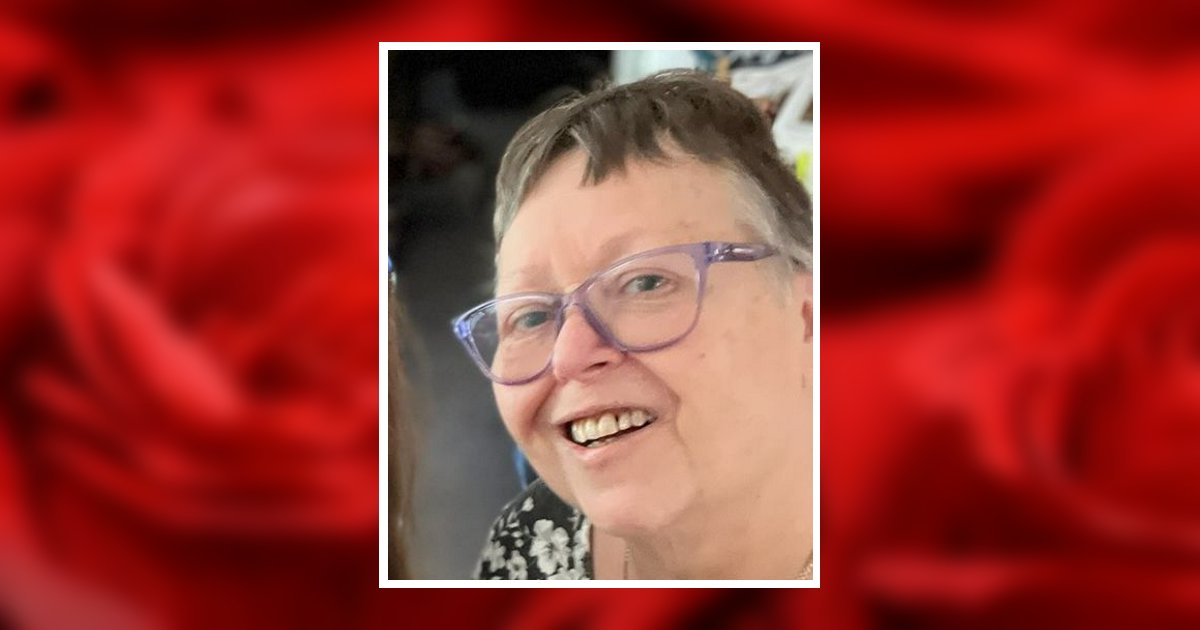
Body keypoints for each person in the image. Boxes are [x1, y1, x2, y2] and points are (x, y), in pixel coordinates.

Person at [454, 70, 814, 580]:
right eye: (531, 316)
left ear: (807, 316)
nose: (567, 356)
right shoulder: (527, 544)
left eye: (645, 283)